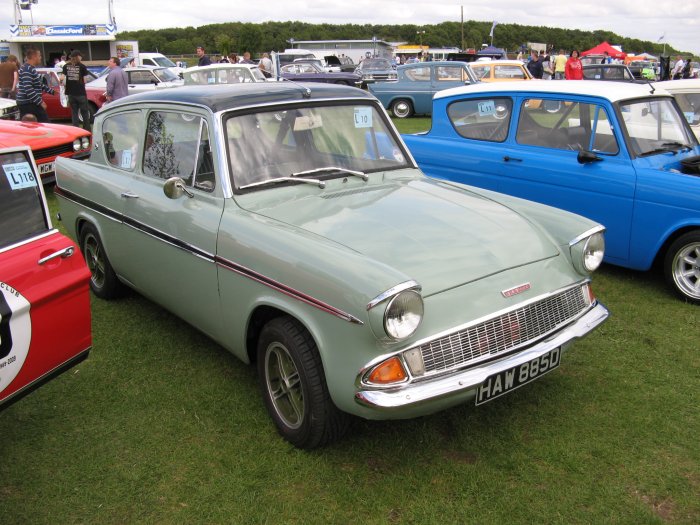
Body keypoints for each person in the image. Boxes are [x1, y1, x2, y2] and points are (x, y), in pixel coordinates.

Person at [16, 48, 54, 122]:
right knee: (45, 123)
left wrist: (52, 92)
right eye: (39, 56)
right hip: (28, 103)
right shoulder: (27, 69)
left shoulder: (30, 68)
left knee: (31, 125)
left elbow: (39, 84)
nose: (41, 58)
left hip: (29, 102)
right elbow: (28, 88)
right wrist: (40, 102)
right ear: (34, 57)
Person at [61, 50, 91, 130]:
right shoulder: (82, 66)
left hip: (70, 93)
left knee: (74, 113)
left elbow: (61, 78)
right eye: (80, 56)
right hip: (81, 93)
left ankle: (76, 129)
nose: (81, 57)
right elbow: (85, 81)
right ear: (78, 57)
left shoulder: (66, 66)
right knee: (84, 112)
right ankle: (87, 129)